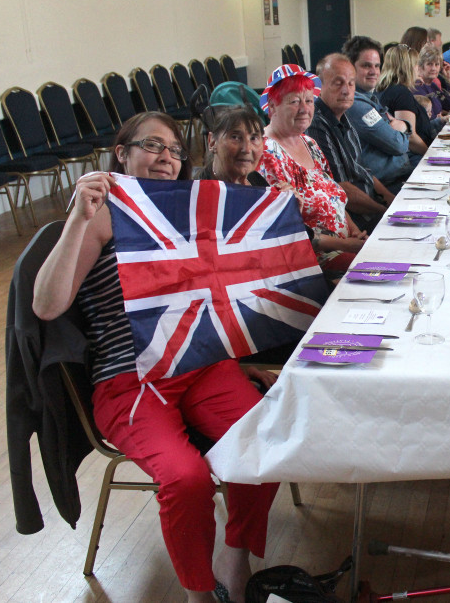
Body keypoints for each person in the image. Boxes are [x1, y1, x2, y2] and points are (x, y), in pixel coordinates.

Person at [33, 112, 281, 603]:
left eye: (173, 149)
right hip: (130, 379)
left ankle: (236, 555)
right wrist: (78, 220)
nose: (166, 157)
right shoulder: (103, 213)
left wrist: (235, 357)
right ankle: (197, 592)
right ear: (121, 153)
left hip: (201, 363)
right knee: (186, 479)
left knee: (267, 442)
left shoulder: (184, 209)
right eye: (152, 145)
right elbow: (45, 304)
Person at [258, 66, 369, 273]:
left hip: (344, 245)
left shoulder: (310, 143)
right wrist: (348, 246)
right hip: (312, 258)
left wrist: (354, 232)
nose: (304, 109)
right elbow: (289, 229)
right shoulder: (267, 152)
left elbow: (333, 197)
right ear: (272, 107)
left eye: (309, 101)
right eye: (294, 101)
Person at [307, 54, 397, 232]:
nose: (347, 90)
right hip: (355, 220)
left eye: (350, 83)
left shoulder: (345, 117)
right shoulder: (317, 124)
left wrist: (392, 200)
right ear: (318, 86)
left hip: (371, 206)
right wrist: (386, 212)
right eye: (338, 83)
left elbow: (364, 171)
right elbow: (341, 189)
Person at [341, 35, 413, 191]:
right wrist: (405, 129)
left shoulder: (371, 97)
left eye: (377, 66)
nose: (373, 71)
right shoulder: (356, 105)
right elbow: (397, 145)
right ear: (350, 68)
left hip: (400, 176)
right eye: (366, 66)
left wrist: (403, 126)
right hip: (387, 185)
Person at [377, 44, 436, 154]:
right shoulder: (401, 93)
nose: (418, 68)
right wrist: (430, 155)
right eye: (416, 65)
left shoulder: (383, 89)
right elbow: (410, 137)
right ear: (408, 68)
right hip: (413, 157)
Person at [195, 105, 269, 186]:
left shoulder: (256, 180)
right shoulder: (199, 192)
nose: (247, 149)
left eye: (253, 138)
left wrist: (281, 195)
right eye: (235, 137)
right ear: (212, 141)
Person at [414, 44, 450, 120]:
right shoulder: (418, 86)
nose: (434, 68)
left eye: (437, 64)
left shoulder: (432, 85)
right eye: (429, 64)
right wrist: (441, 117)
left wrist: (449, 80)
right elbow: (428, 117)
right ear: (420, 66)